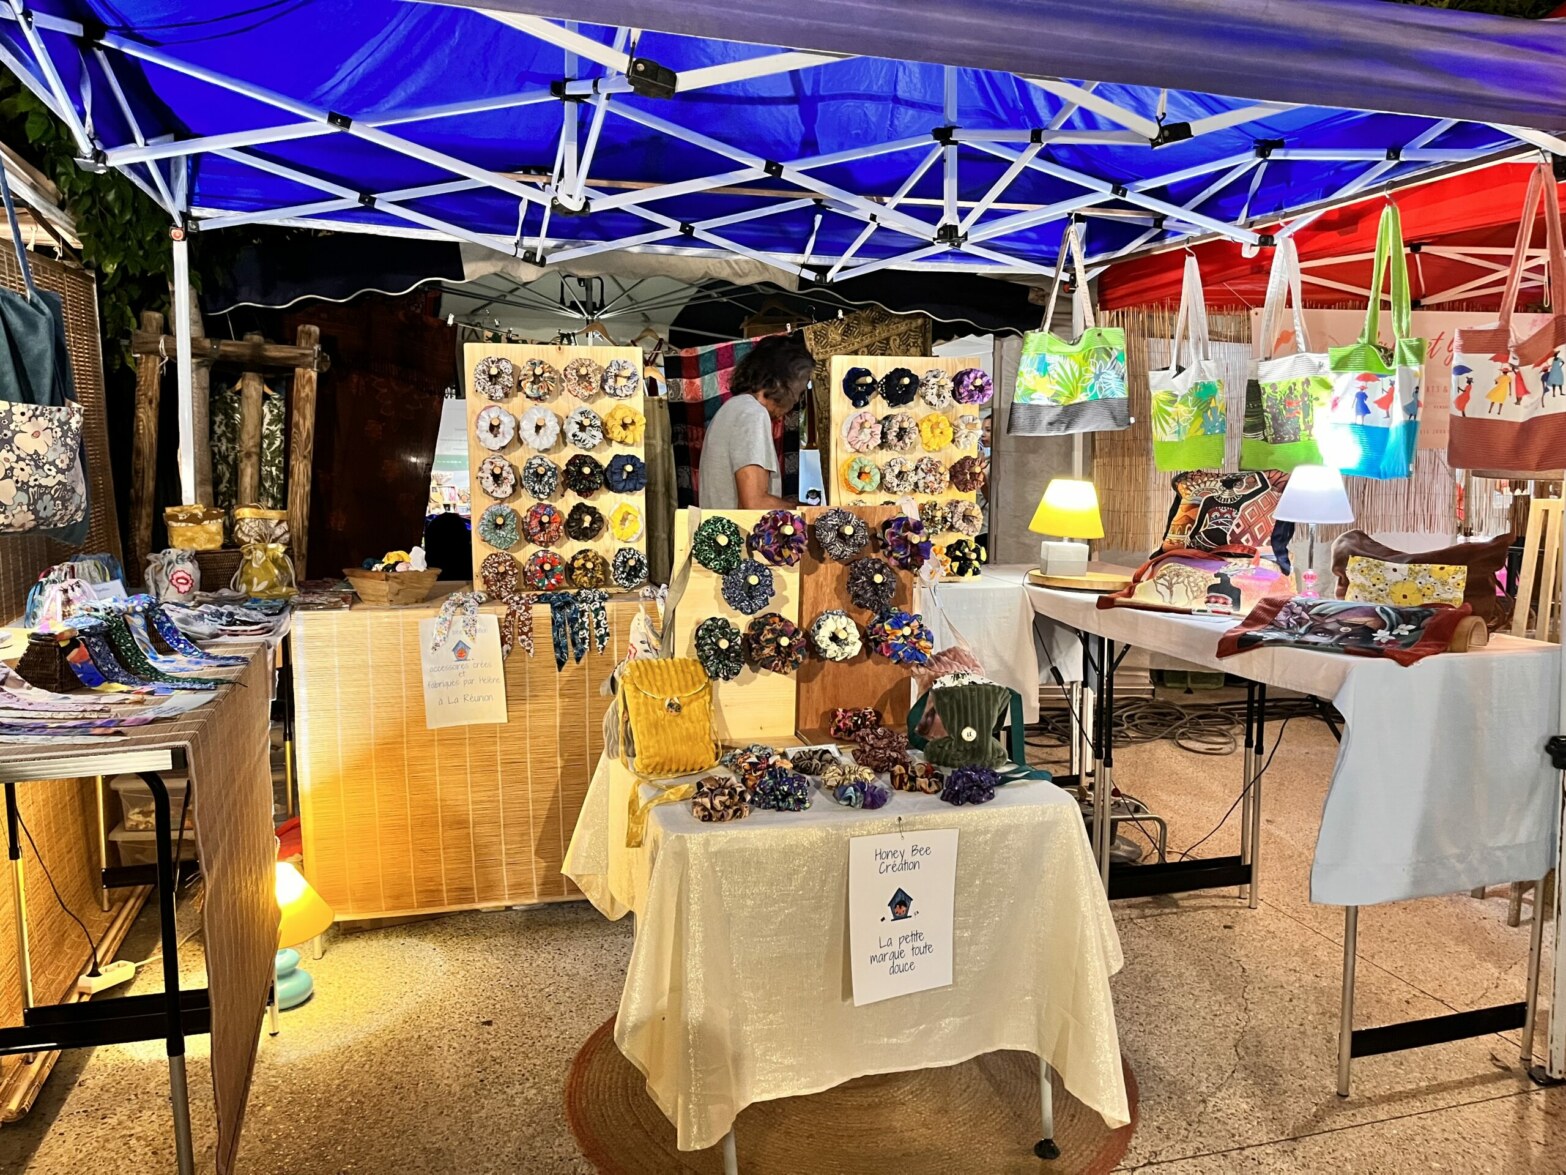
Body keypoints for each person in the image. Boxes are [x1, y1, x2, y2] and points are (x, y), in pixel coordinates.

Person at [698, 335, 815, 509]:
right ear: (782, 383)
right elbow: (754, 503)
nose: (796, 401)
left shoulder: (732, 408)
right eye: (798, 392)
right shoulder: (753, 413)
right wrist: (810, 512)